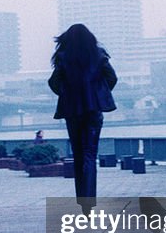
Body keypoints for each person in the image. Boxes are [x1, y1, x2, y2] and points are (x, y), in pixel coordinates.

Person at [48, 23, 117, 207]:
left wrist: (68, 94)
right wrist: (98, 95)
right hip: (94, 111)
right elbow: (112, 78)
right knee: (89, 154)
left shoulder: (64, 56)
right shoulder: (98, 54)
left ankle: (83, 201)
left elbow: (54, 82)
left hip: (72, 112)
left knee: (78, 154)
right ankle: (89, 201)